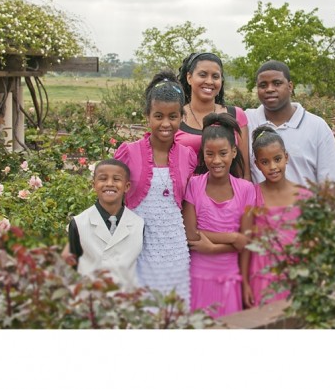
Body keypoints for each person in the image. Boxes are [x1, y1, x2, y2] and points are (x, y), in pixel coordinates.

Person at [114, 70, 197, 306]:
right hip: (138, 251)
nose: (165, 123)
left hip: (174, 249)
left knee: (174, 312)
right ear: (147, 116)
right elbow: (111, 201)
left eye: (173, 116)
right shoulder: (127, 152)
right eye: (158, 116)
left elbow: (186, 203)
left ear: (182, 116)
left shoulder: (187, 156)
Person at [182, 113, 255, 318]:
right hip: (197, 276)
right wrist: (232, 237)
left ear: (233, 152)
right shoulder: (195, 184)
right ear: (203, 155)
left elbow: (247, 241)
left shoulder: (247, 189)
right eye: (210, 154)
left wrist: (213, 247)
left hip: (230, 277)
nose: (216, 160)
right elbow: (191, 234)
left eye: (223, 153)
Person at [241, 126, 312, 308]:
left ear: (286, 157)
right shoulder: (253, 195)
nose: (272, 167)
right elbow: (246, 241)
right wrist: (245, 283)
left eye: (277, 159)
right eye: (265, 162)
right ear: (256, 164)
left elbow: (311, 241)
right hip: (262, 277)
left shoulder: (303, 195)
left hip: (297, 276)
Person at [246, 60, 335, 186]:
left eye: (277, 83)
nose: (269, 89)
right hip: (260, 205)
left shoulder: (317, 126)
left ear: (290, 86)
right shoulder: (246, 121)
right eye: (263, 85)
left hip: (305, 204)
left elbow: (330, 182)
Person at [62, 159, 145, 291]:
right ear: (94, 184)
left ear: (127, 186)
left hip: (127, 301)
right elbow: (71, 265)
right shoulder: (79, 223)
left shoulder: (139, 224)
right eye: (103, 179)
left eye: (116, 179)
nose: (109, 184)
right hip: (90, 299)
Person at [176, 52, 251, 180]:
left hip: (228, 196)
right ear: (189, 78)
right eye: (203, 75)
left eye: (215, 76)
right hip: (186, 196)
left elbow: (244, 171)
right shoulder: (175, 116)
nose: (209, 81)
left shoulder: (236, 115)